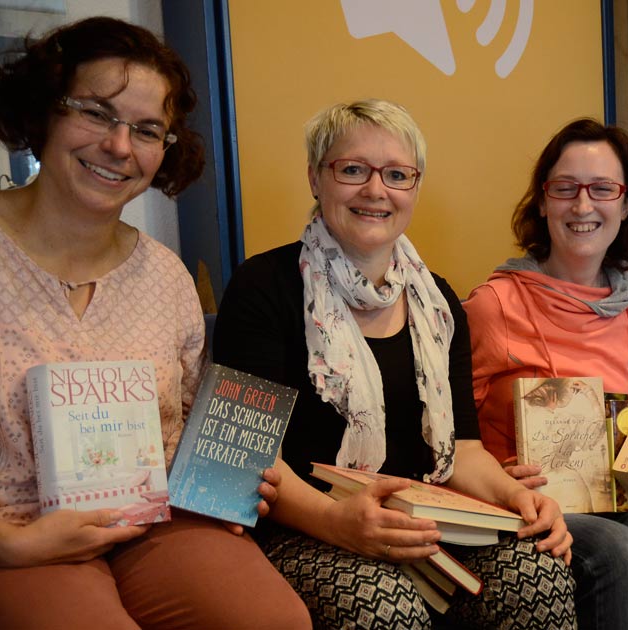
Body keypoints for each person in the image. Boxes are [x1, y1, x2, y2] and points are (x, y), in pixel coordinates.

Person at [212, 98, 577, 629]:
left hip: (422, 521)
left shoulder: (440, 304)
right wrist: (339, 522)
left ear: (415, 188)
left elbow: (464, 454)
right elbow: (245, 458)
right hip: (305, 528)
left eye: (397, 175)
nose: (376, 191)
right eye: (353, 169)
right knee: (384, 603)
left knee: (537, 575)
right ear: (316, 178)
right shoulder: (262, 289)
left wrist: (520, 499)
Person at [0, 17, 310, 629]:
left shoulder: (165, 277)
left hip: (154, 519)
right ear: (44, 112)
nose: (119, 146)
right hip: (18, 532)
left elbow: (193, 426)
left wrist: (227, 482)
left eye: (147, 130)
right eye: (95, 113)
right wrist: (9, 545)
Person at [465, 118, 628, 629]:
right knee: (621, 550)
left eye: (602, 189)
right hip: (527, 506)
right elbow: (446, 434)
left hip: (616, 502)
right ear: (542, 202)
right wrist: (497, 478)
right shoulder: (493, 304)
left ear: (626, 204)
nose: (583, 206)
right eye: (565, 189)